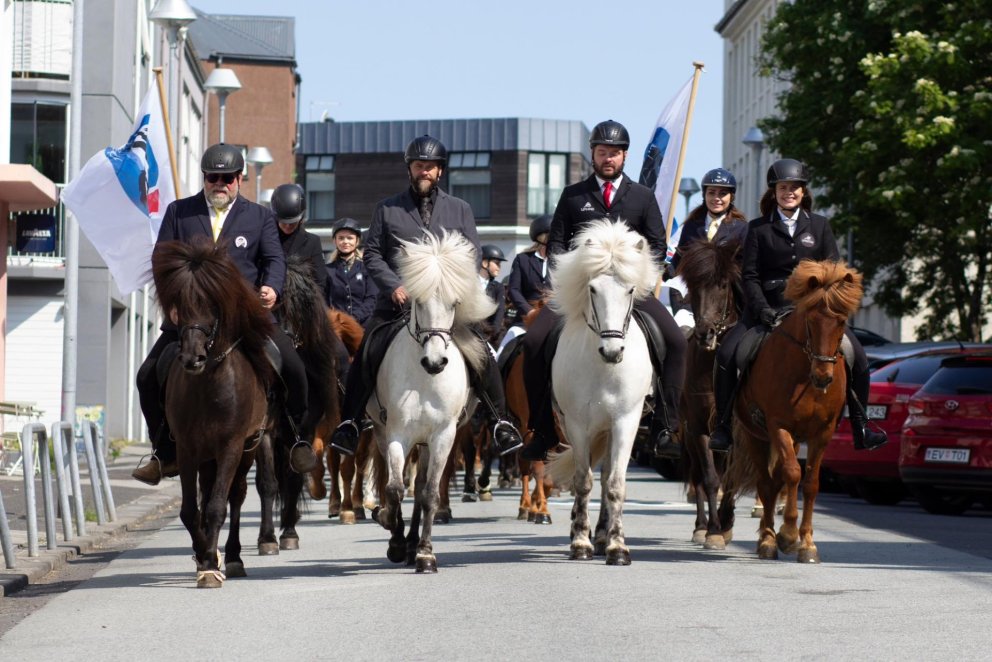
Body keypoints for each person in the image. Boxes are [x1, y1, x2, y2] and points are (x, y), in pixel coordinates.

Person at [327, 135, 524, 457]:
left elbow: (473, 255)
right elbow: (374, 254)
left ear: (440, 172)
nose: (424, 172)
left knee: (483, 352)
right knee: (366, 352)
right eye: (419, 166)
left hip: (445, 308)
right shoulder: (387, 209)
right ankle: (349, 423)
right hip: (397, 304)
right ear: (410, 169)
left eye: (430, 167)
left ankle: (500, 422)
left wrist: (450, 288)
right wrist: (394, 286)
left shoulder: (460, 210)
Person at [132, 143, 317, 485]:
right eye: (213, 177)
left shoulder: (260, 216)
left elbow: (274, 260)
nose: (220, 184)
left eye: (227, 178)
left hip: (243, 317)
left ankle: (296, 439)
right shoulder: (179, 212)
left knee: (294, 368)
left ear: (239, 179)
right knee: (146, 377)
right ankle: (163, 451)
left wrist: (272, 287)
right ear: (204, 178)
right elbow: (162, 262)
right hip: (190, 318)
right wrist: (172, 303)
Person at [520, 120, 688, 462]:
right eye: (602, 152)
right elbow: (556, 242)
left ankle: (664, 426)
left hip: (630, 292)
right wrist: (569, 271)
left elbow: (656, 244)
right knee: (534, 341)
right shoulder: (573, 196)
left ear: (624, 156)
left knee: (677, 342)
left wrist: (644, 271)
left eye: (614, 152)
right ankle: (543, 428)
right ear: (593, 155)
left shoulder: (642, 197)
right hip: (581, 292)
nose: (608, 158)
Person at [708, 158, 887, 453]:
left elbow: (831, 270)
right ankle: (723, 427)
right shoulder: (758, 228)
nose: (788, 192)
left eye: (794, 188)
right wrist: (762, 309)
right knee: (727, 355)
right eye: (782, 188)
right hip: (766, 310)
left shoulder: (819, 225)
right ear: (774, 192)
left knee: (859, 357)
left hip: (813, 313)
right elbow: (750, 275)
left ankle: (861, 424)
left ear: (803, 192)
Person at [271, 182, 330, 300]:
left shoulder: (313, 242)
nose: (287, 227)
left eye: (292, 223)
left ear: (302, 218)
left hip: (302, 304)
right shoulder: (267, 239)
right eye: (283, 222)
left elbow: (321, 281)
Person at [326, 217, 378, 326]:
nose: (345, 242)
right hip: (337, 326)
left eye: (350, 238)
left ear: (357, 241)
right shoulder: (327, 270)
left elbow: (372, 299)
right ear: (334, 241)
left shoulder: (367, 268)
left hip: (364, 324)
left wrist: (354, 318)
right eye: (341, 238)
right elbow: (324, 301)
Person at [507, 214, 552, 319]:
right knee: (511, 335)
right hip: (527, 316)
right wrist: (529, 311)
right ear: (543, 237)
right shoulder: (522, 260)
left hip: (555, 317)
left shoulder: (562, 261)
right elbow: (514, 290)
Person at [479, 244, 507, 345]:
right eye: (496, 263)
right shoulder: (469, 284)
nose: (499, 268)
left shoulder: (498, 288)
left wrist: (491, 336)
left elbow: (499, 315)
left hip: (488, 337)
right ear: (485, 263)